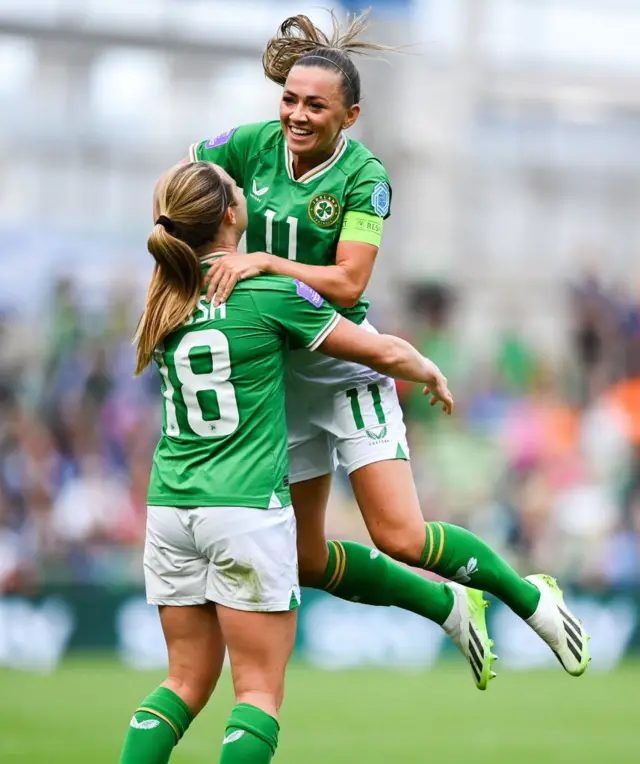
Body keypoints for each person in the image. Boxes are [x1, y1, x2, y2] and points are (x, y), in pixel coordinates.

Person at [187, 8, 591, 689]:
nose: (297, 115)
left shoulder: (365, 177)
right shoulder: (248, 146)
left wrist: (259, 262)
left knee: (400, 537)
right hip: (283, 381)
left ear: (351, 116)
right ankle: (447, 604)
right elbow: (187, 186)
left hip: (344, 366)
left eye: (316, 105)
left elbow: (349, 282)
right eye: (290, 99)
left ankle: (529, 598)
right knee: (309, 560)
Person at [118, 160, 464, 764]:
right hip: (246, 510)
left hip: (171, 507)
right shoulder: (265, 291)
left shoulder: (164, 295)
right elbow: (375, 349)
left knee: (183, 685)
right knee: (255, 693)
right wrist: (427, 368)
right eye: (236, 189)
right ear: (232, 214)